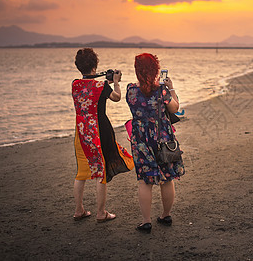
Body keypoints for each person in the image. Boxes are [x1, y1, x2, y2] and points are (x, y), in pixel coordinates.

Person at [71, 48, 134, 223]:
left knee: (82, 172)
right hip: (100, 131)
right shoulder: (101, 86)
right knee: (101, 171)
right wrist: (116, 82)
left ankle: (79, 210)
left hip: (82, 131)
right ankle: (101, 213)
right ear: (95, 65)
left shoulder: (75, 84)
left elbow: (87, 86)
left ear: (79, 67)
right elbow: (117, 98)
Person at [126, 53, 185, 233]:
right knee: (167, 178)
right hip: (162, 136)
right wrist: (171, 88)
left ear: (137, 71)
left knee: (145, 181)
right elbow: (175, 108)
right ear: (155, 70)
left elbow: (134, 108)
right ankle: (165, 215)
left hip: (141, 139)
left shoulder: (130, 90)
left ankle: (146, 221)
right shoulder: (162, 90)